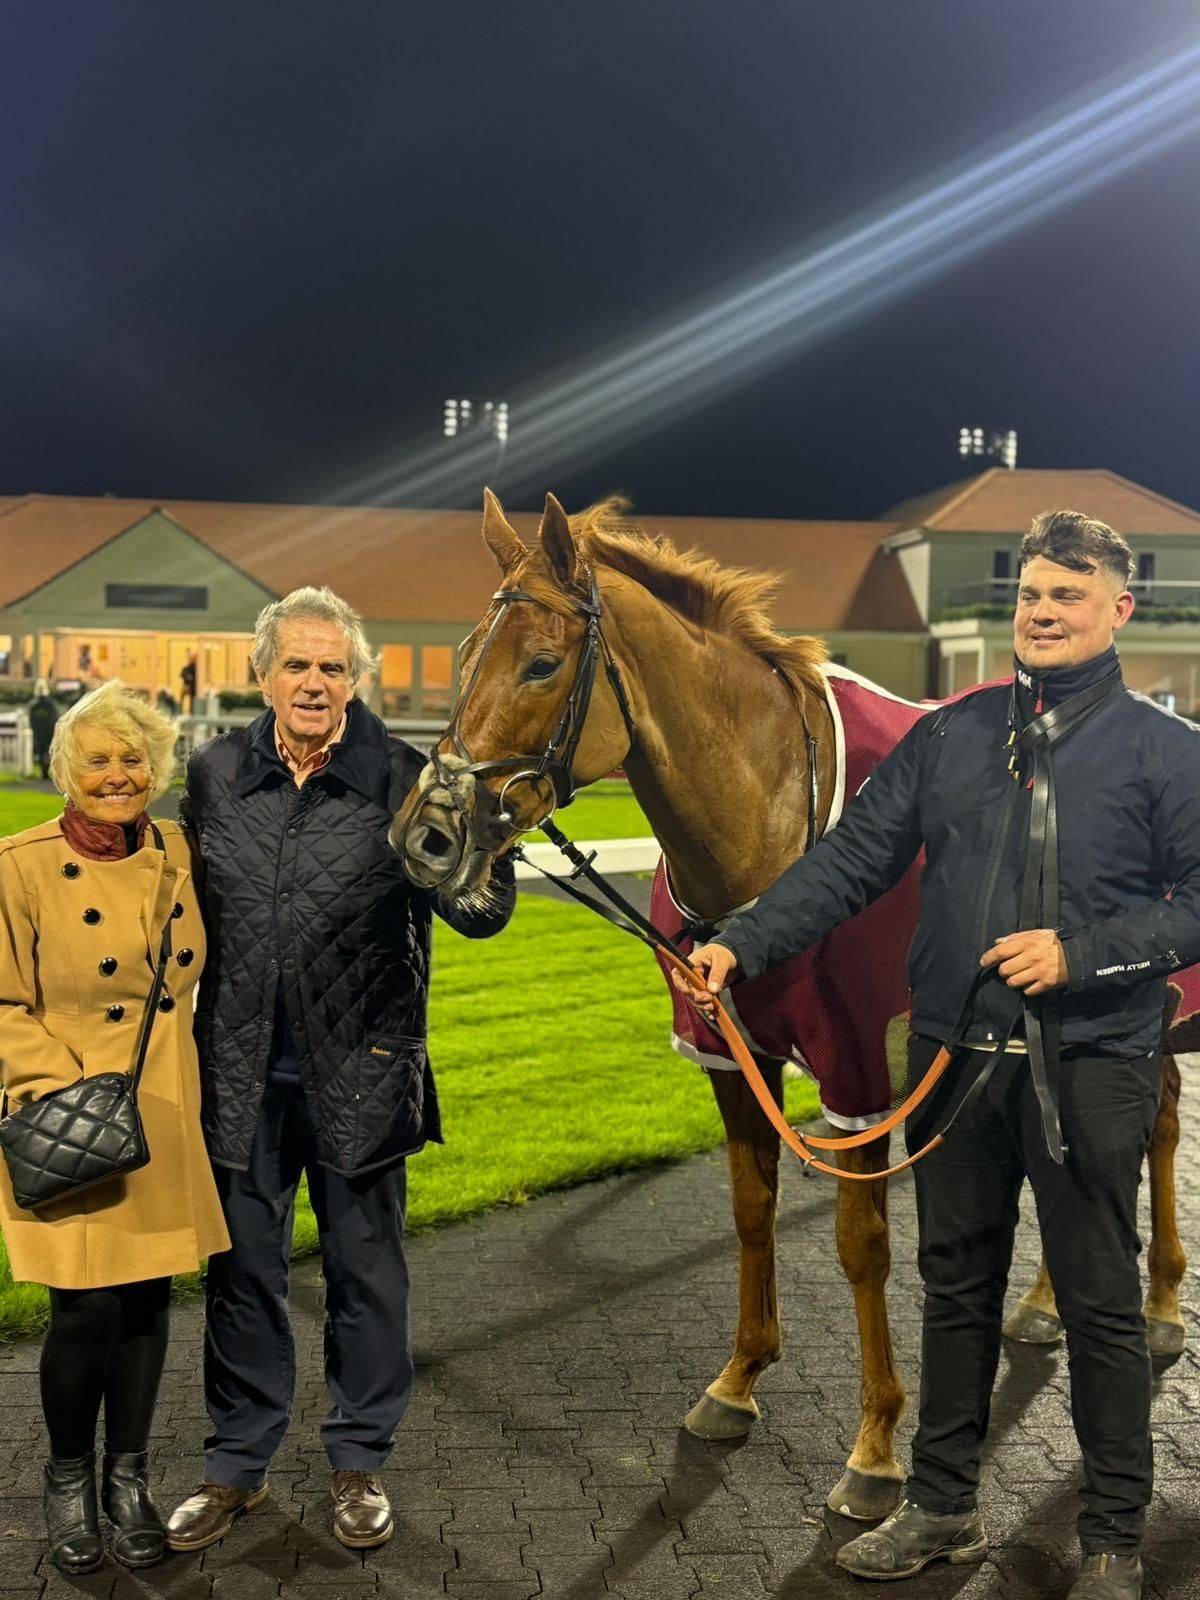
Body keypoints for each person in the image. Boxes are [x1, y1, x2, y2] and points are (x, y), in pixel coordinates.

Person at [683, 511, 1200, 1600]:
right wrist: (741, 940)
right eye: (1030, 594)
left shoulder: (1168, 751)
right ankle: (941, 1506)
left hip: (1091, 1065)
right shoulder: (950, 734)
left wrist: (1081, 954)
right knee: (954, 1289)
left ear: (1119, 609)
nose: (1042, 613)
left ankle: (1112, 1538)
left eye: (1067, 595)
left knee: (1100, 1305)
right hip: (954, 1061)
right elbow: (851, 863)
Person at [167, 587, 515, 1554]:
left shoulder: (403, 775)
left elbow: (482, 914)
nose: (314, 682)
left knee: (367, 1277)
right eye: (297, 665)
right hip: (237, 1073)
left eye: (331, 666)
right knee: (242, 1275)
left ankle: (358, 1462)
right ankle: (236, 1466)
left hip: (363, 1069)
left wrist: (485, 839)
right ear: (263, 675)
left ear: (355, 679)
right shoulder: (214, 772)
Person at [0, 682, 230, 1576]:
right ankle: (68, 1480)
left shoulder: (177, 850)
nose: (117, 775)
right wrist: (65, 1088)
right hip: (69, 1112)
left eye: (133, 758)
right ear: (65, 769)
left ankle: (126, 1480)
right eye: (96, 759)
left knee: (144, 1302)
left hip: (161, 1103)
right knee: (82, 1307)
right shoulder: (18, 864)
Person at [27, 678, 61, 780]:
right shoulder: (50, 704)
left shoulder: (34, 705)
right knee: (48, 752)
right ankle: (46, 772)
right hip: (49, 733)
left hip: (39, 734)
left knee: (42, 753)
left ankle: (44, 772)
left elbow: (31, 720)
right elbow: (55, 718)